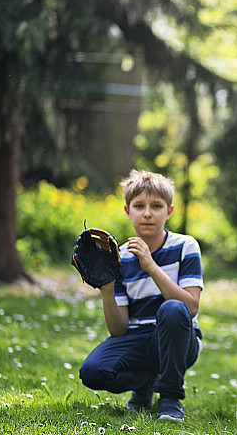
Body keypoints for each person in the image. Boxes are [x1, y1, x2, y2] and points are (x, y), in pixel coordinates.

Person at [79, 170, 203, 421]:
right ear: (128, 211)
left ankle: (169, 397)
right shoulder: (119, 256)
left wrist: (151, 266)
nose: (147, 213)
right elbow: (118, 330)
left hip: (180, 339)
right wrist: (107, 289)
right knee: (92, 372)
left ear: (169, 211)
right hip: (137, 339)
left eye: (156, 206)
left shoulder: (185, 246)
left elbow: (189, 308)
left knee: (172, 309)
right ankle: (145, 384)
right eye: (139, 206)